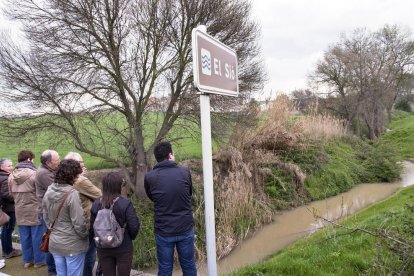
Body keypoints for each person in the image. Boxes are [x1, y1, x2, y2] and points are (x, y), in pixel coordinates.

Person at [144, 141, 197, 276]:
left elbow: (152, 197)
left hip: (164, 231)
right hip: (185, 228)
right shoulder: (185, 172)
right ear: (170, 155)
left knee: (165, 269)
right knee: (189, 266)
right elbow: (189, 193)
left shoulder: (149, 177)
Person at [42, 159, 88, 276]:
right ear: (72, 176)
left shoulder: (49, 190)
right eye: (77, 175)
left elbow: (46, 217)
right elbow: (79, 223)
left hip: (55, 242)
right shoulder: (72, 195)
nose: (78, 177)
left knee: (61, 273)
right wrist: (85, 235)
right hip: (72, 244)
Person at [91, 172, 140, 276]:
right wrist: (129, 237)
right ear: (118, 186)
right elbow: (134, 226)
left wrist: (97, 241)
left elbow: (92, 227)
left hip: (103, 246)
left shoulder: (96, 203)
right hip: (123, 246)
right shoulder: (125, 203)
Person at [64, 152, 102, 276]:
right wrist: (84, 177)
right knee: (89, 254)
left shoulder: (60, 178)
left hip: (68, 223)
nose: (84, 165)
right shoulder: (80, 180)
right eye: (81, 163)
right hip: (85, 221)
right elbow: (99, 195)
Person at [8, 150, 46, 268]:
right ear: (29, 159)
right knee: (37, 235)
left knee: (24, 236)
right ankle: (39, 261)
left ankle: (27, 260)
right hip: (35, 208)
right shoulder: (35, 174)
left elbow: (10, 193)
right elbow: (40, 192)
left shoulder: (11, 175)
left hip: (19, 209)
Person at [35, 149, 60, 276]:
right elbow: (59, 187)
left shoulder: (48, 170)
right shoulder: (44, 174)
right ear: (49, 163)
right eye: (57, 160)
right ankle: (52, 270)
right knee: (50, 241)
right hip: (47, 212)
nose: (59, 162)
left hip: (49, 210)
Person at [0, 158, 21, 259]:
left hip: (6, 207)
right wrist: (17, 197)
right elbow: (5, 194)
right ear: (2, 167)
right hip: (8, 208)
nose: (11, 167)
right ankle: (8, 251)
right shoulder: (4, 178)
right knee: (8, 229)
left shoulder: (3, 176)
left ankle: (7, 249)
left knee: (6, 229)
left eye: (12, 165)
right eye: (9, 166)